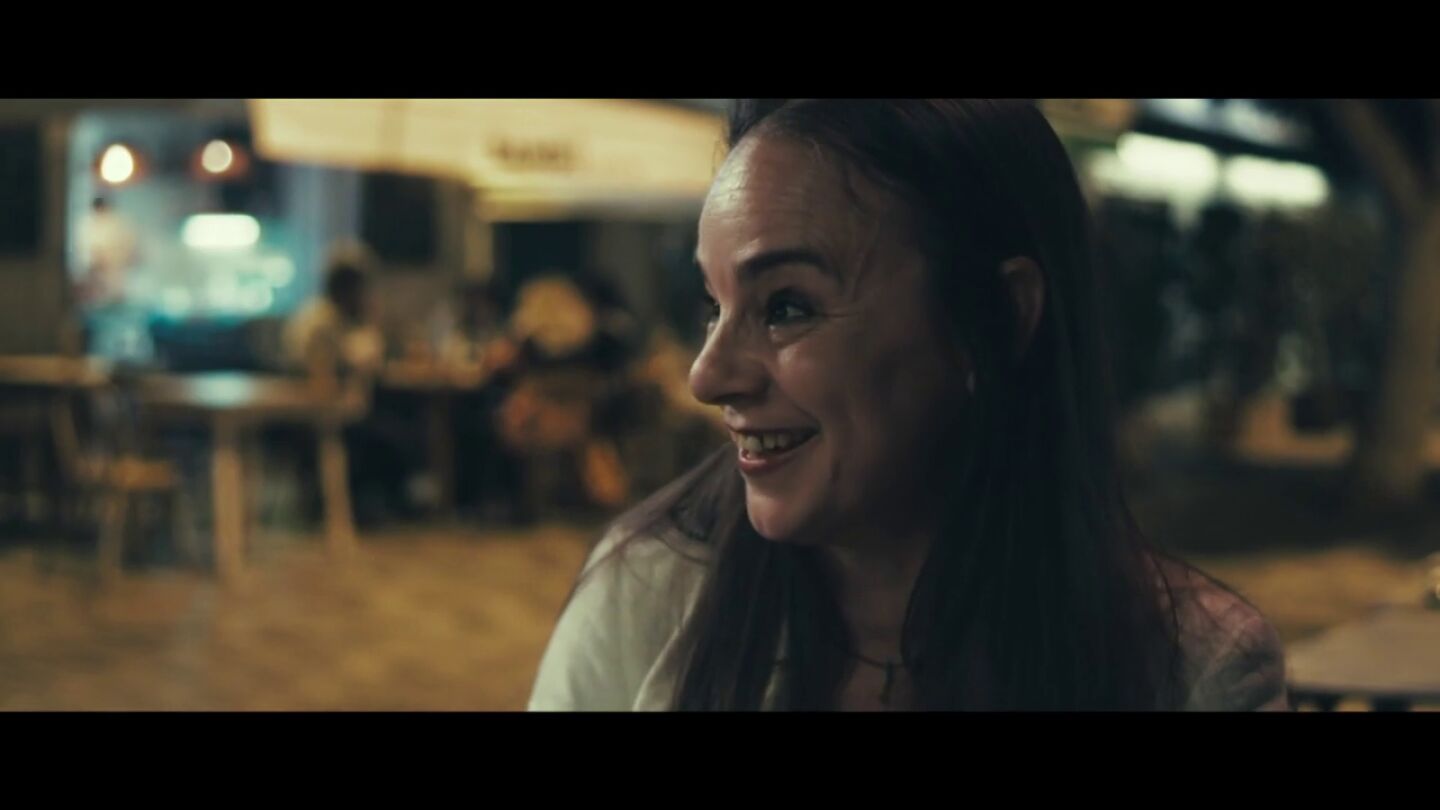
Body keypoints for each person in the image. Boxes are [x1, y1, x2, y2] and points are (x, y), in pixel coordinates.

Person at [529, 99, 1288, 712]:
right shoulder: (641, 598)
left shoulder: (1192, 674)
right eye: (714, 305)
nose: (708, 376)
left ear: (995, 318)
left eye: (786, 307)